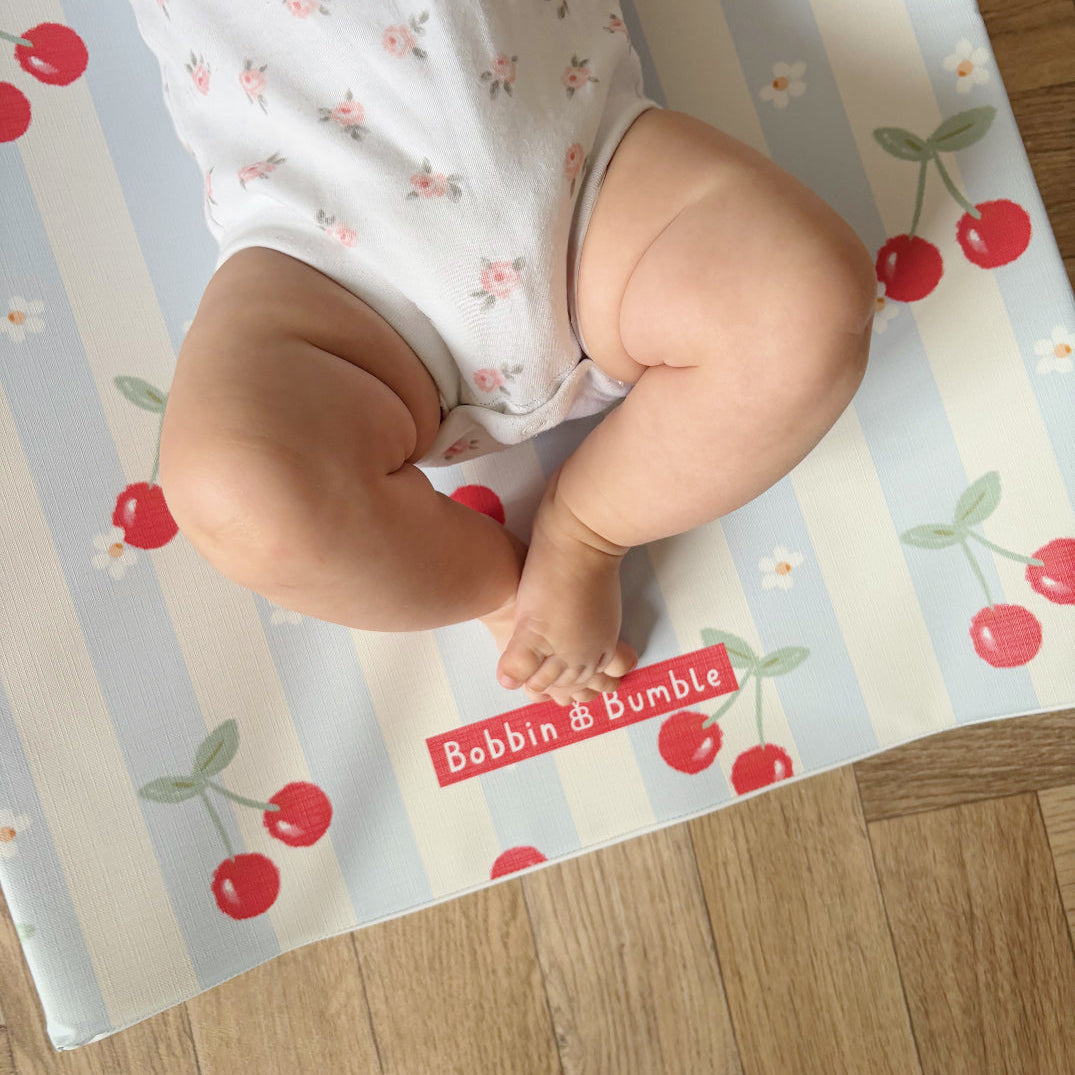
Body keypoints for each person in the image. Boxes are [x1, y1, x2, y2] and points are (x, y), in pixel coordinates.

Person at [134, 1, 875, 708]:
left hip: (588, 170)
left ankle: (585, 528)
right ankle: (488, 586)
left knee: (802, 303)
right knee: (238, 489)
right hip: (321, 267)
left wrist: (587, 535)